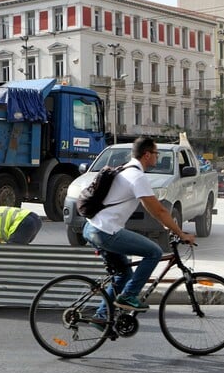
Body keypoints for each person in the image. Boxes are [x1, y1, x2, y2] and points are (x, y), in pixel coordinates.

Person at [82, 136, 195, 319]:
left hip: (93, 228)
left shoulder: (125, 170)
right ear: (147, 155)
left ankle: (102, 316)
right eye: (156, 153)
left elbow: (151, 209)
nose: (157, 157)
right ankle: (129, 296)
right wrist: (180, 233)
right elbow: (158, 210)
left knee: (124, 273)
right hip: (106, 232)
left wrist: (167, 226)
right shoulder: (137, 176)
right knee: (154, 252)